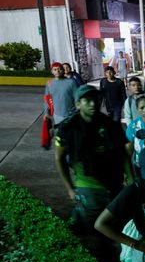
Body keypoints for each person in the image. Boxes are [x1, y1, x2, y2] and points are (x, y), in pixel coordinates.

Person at [55, 85, 132, 232]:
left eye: (96, 100)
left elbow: (123, 154)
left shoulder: (110, 125)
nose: (93, 104)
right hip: (89, 187)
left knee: (118, 225)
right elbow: (59, 159)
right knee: (93, 229)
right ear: (78, 104)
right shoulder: (68, 128)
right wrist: (70, 188)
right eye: (87, 101)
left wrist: (131, 180)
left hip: (114, 185)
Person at [45, 62, 78, 127]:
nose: (57, 71)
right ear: (52, 71)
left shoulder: (71, 82)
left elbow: (77, 97)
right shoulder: (49, 83)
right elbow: (47, 99)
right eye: (55, 69)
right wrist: (46, 113)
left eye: (59, 69)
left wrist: (77, 111)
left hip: (71, 114)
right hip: (57, 115)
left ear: (63, 70)